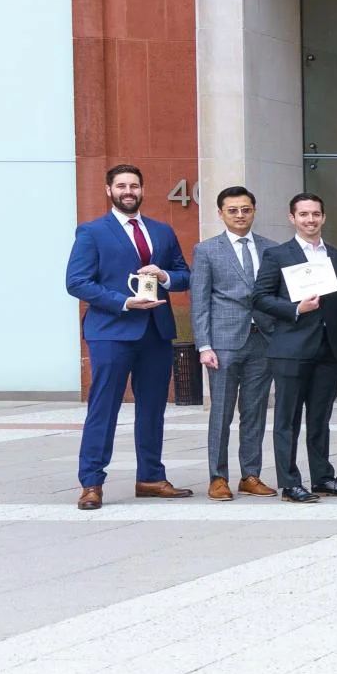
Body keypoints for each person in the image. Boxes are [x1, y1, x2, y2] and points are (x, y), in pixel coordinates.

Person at [66, 164, 195, 509]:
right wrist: (123, 301)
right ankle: (91, 482)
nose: (128, 191)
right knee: (103, 408)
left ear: (142, 190)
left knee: (153, 409)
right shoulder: (92, 232)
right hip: (111, 332)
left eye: (134, 186)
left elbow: (186, 275)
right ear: (109, 190)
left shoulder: (162, 231)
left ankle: (150, 477)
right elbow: (76, 282)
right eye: (121, 185)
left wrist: (165, 275)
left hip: (156, 331)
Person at [251, 193, 337, 503]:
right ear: (292, 218)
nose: (310, 220)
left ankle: (323, 477)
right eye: (303, 214)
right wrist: (296, 308)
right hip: (291, 349)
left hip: (330, 351)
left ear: (323, 217)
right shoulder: (277, 255)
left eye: (315, 214)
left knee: (320, 418)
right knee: (287, 419)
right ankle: (290, 483)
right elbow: (260, 298)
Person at [190, 185, 276, 499]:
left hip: (262, 341)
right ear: (221, 213)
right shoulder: (207, 250)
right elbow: (200, 301)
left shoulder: (271, 248)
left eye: (245, 209)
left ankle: (250, 475)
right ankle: (217, 477)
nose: (240, 215)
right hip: (224, 342)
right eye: (233, 210)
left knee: (255, 412)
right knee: (222, 412)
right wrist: (204, 345)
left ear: (254, 210)